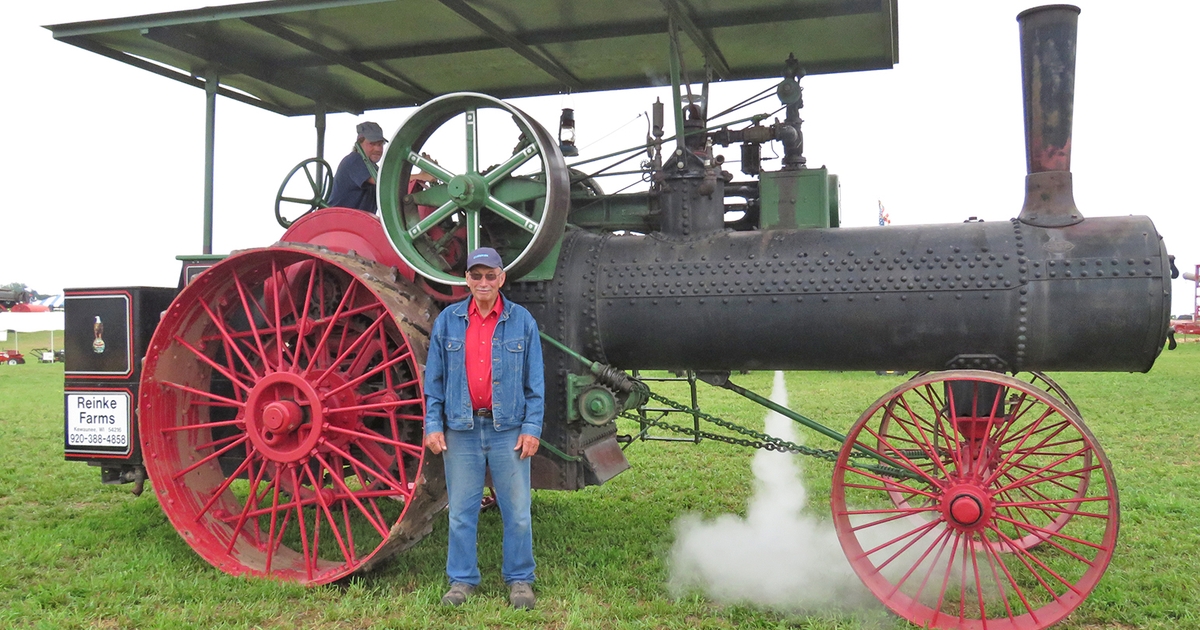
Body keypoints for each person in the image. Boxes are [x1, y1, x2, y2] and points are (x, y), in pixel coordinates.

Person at [422, 247, 544, 610]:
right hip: (461, 428)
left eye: (491, 275)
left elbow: (534, 383)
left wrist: (531, 428)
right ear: (467, 279)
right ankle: (461, 580)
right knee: (461, 511)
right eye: (476, 275)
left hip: (507, 427)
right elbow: (434, 380)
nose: (484, 282)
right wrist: (433, 423)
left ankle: (520, 579)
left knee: (518, 511)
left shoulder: (521, 321)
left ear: (501, 278)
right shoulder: (448, 320)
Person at [328, 121, 387, 213]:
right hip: (338, 220)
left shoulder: (373, 168)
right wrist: (416, 177)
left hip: (357, 222)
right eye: (372, 144)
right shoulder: (354, 160)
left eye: (380, 144)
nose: (378, 149)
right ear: (359, 144)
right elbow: (384, 180)